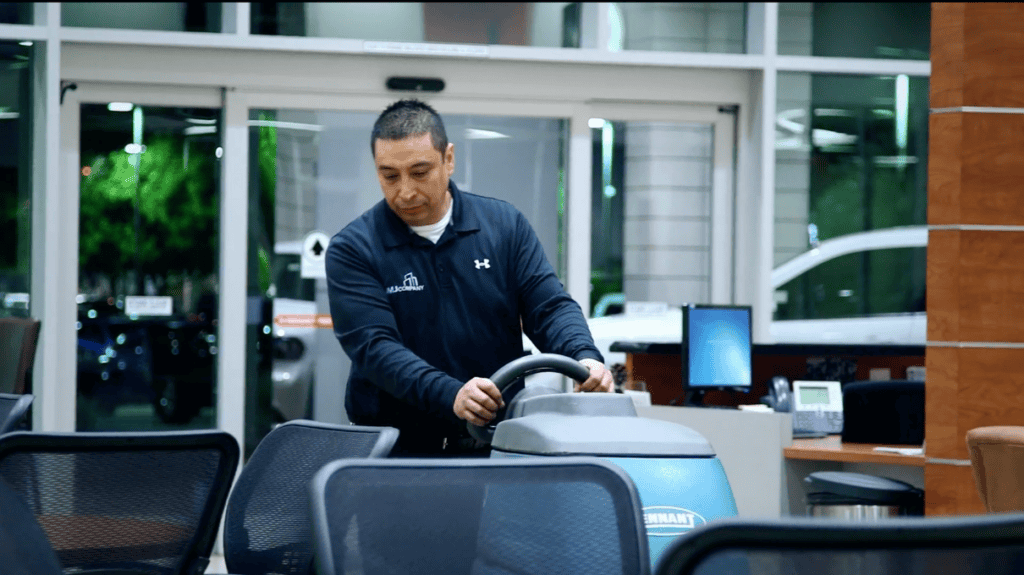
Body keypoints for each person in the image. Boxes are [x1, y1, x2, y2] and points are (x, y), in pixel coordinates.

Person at [326, 98, 613, 457]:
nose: (405, 191)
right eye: (389, 176)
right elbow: (376, 350)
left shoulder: (503, 226)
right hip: (395, 452)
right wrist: (452, 393)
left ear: (448, 159)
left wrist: (584, 357)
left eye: (419, 172)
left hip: (494, 446)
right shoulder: (354, 248)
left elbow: (549, 307)